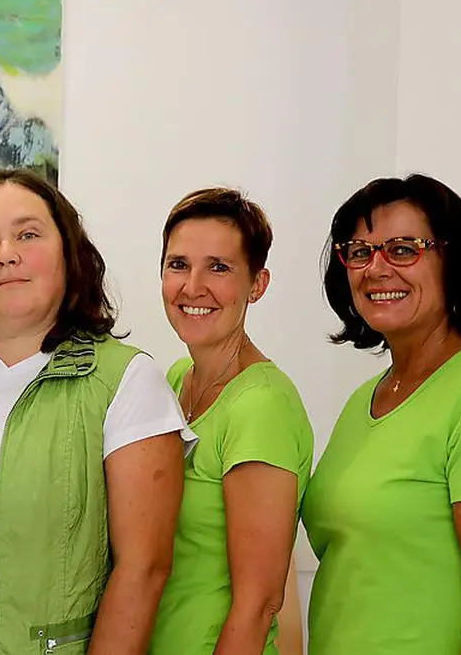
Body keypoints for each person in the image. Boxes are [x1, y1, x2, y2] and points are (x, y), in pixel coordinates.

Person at [0, 167, 194, 655]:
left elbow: (144, 571)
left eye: (28, 234)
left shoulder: (126, 382)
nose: (7, 254)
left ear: (69, 253)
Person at [301, 174, 461, 654]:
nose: (375, 268)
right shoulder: (366, 399)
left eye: (402, 249)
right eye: (359, 251)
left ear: (454, 262)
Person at [148, 188, 314, 655]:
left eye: (218, 267)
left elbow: (260, 602)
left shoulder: (261, 407)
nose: (193, 285)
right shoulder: (179, 379)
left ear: (257, 284)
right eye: (178, 264)